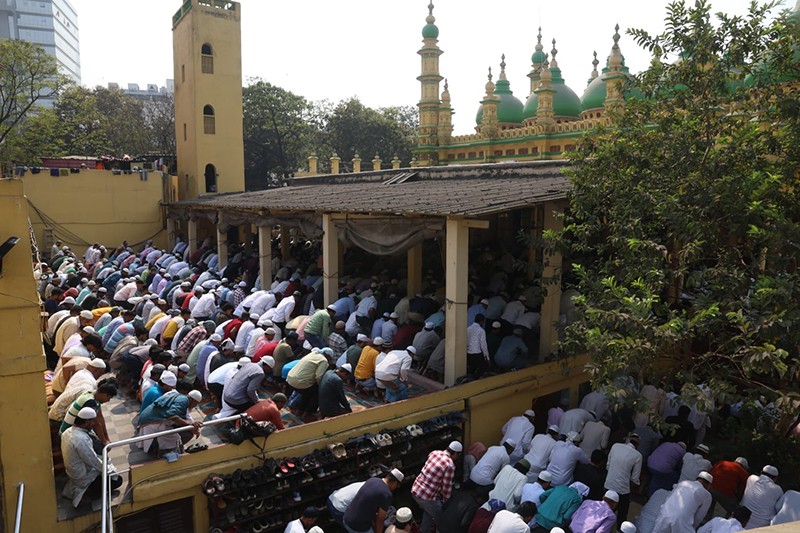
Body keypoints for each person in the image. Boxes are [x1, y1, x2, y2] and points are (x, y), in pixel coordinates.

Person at [61, 407, 122, 507]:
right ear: (86, 422)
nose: (94, 424)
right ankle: (90, 490)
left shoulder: (67, 432)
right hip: (82, 476)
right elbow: (92, 460)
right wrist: (110, 471)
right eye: (92, 421)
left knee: (105, 465)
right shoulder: (80, 439)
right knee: (117, 480)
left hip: (75, 471)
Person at [412, 441, 462, 533]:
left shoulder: (435, 453)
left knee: (429, 511)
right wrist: (446, 501)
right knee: (442, 519)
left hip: (416, 489)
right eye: (458, 455)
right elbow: (446, 487)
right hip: (426, 497)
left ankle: (424, 530)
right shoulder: (450, 465)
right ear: (456, 453)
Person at [137, 388, 203, 456]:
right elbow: (171, 414)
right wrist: (188, 423)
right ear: (193, 400)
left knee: (181, 432)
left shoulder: (179, 397)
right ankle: (163, 453)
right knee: (175, 438)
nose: (195, 406)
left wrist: (190, 425)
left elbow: (185, 416)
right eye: (196, 404)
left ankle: (163, 450)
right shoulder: (184, 401)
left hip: (149, 419)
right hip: (152, 422)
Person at [343, 469, 404, 533]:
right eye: (398, 485)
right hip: (357, 526)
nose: (397, 487)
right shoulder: (386, 494)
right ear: (395, 483)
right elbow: (380, 519)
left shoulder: (373, 480)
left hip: (347, 517)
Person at [604, 433, 642, 523]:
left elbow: (608, 466)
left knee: (605, 508)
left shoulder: (615, 446)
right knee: (622, 513)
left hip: (609, 483)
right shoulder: (638, 455)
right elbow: (635, 478)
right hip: (622, 489)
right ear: (638, 444)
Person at [286, 349, 330, 419]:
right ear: (328, 356)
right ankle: (309, 413)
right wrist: (321, 386)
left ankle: (300, 410)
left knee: (307, 392)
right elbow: (318, 376)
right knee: (316, 393)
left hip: (290, 379)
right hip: (300, 382)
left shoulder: (312, 354)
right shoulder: (324, 360)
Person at [740, 465, 783, 529]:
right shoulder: (778, 490)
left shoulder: (751, 478)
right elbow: (779, 507)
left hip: (740, 521)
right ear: (775, 478)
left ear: (761, 472)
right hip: (761, 527)